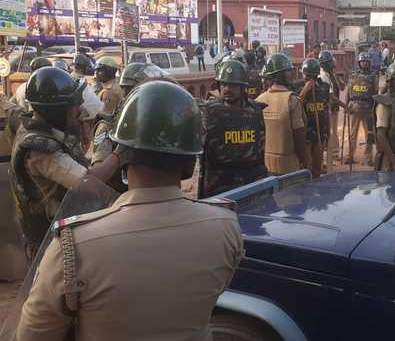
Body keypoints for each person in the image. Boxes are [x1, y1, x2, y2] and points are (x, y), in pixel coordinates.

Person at [15, 80, 245, 340]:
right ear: (191, 163)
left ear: (122, 156)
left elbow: (32, 335)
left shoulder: (72, 246)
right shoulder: (226, 226)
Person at [8, 67, 122, 261]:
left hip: (57, 234)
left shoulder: (33, 126)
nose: (77, 111)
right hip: (50, 245)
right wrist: (121, 153)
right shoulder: (40, 150)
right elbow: (88, 182)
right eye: (72, 106)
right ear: (56, 110)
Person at [199, 59, 268, 196]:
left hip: (251, 183)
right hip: (219, 185)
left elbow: (261, 151)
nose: (227, 89)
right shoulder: (209, 111)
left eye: (233, 85)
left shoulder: (255, 111)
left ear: (243, 87)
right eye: (224, 84)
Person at [256, 53, 308, 175]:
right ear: (281, 75)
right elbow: (299, 134)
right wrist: (303, 159)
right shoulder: (292, 100)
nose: (292, 75)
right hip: (289, 163)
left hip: (265, 163)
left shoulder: (258, 100)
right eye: (288, 72)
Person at [299, 58, 331, 177]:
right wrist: (305, 90)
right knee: (306, 167)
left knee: (317, 166)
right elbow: (296, 106)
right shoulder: (298, 87)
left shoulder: (324, 87)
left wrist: (327, 130)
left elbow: (326, 109)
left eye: (306, 75)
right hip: (305, 133)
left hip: (319, 132)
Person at [346, 53, 378, 166]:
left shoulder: (373, 76)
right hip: (354, 107)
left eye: (366, 61)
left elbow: (375, 92)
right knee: (352, 134)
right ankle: (350, 156)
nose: (364, 63)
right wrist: (346, 105)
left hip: (368, 108)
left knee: (369, 134)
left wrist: (375, 108)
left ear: (369, 63)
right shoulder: (353, 75)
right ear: (359, 63)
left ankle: (368, 158)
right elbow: (348, 91)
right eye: (362, 61)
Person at [318, 50, 346, 164]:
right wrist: (345, 106)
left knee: (334, 130)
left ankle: (334, 152)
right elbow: (331, 96)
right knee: (329, 131)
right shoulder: (323, 76)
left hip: (334, 107)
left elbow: (342, 88)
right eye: (331, 63)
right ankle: (329, 156)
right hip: (327, 107)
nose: (333, 65)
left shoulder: (330, 74)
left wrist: (338, 77)